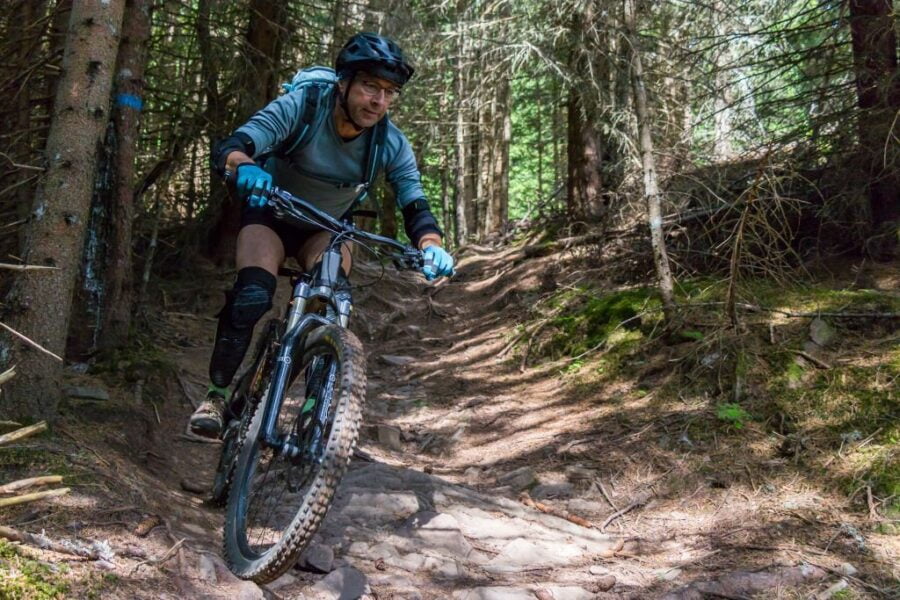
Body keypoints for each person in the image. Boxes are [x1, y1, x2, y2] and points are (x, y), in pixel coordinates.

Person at [189, 32, 454, 437]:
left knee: (333, 300)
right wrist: (244, 165)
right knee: (253, 296)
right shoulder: (303, 108)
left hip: (326, 228)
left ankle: (315, 405)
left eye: (389, 92)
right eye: (370, 86)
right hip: (270, 215)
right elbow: (237, 143)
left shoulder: (389, 143)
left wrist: (431, 245)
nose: (378, 102)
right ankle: (216, 395)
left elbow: (414, 202)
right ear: (343, 83)